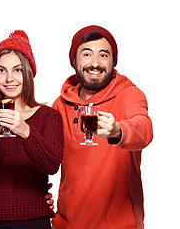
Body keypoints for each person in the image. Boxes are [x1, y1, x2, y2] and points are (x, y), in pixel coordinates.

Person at [51, 25, 153, 229]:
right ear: (74, 61)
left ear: (114, 61)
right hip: (67, 225)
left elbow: (143, 128)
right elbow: (44, 157)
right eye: (86, 54)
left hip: (118, 225)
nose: (95, 63)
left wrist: (118, 131)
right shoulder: (60, 105)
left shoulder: (129, 95)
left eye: (103, 55)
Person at [0, 30, 64, 229]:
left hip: (34, 220)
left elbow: (52, 166)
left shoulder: (49, 117)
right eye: (1, 70)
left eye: (17, 70)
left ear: (28, 73)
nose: (9, 78)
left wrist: (25, 130)